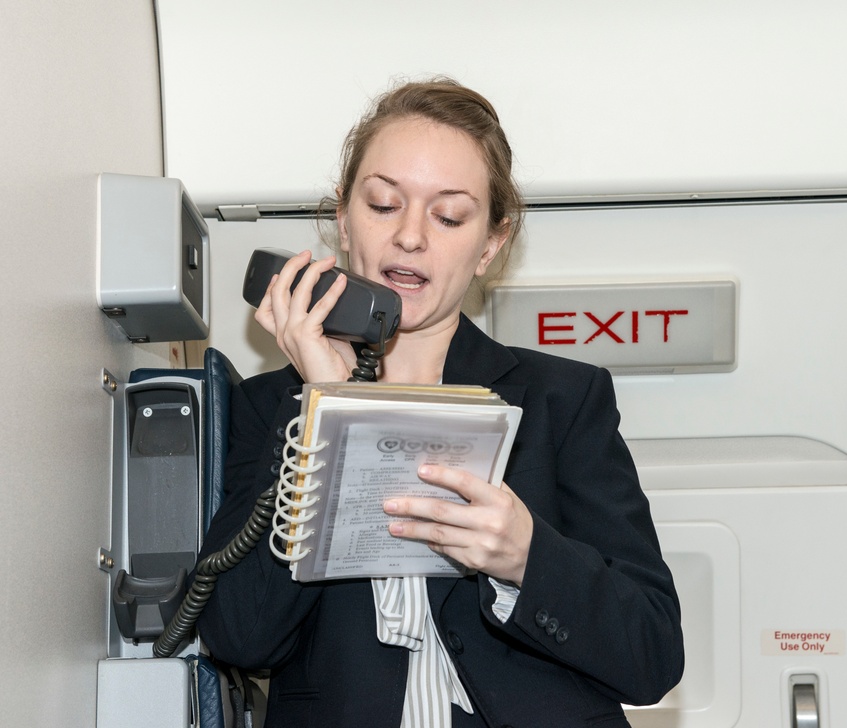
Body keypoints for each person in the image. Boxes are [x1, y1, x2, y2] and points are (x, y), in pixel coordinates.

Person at [196, 77, 683, 728]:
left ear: (490, 244)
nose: (411, 236)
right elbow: (241, 638)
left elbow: (652, 654)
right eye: (382, 205)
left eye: (449, 216)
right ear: (342, 218)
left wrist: (524, 556)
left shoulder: (564, 400)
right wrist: (325, 404)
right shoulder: (267, 408)